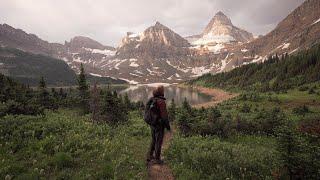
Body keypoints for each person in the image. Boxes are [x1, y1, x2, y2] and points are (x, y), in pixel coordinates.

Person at [147, 85, 171, 164]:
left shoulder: (152, 99)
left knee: (153, 139)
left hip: (152, 123)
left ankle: (150, 156)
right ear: (161, 92)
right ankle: (157, 159)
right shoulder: (161, 102)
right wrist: (168, 126)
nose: (164, 91)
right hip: (159, 124)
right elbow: (164, 116)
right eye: (163, 90)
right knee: (159, 141)